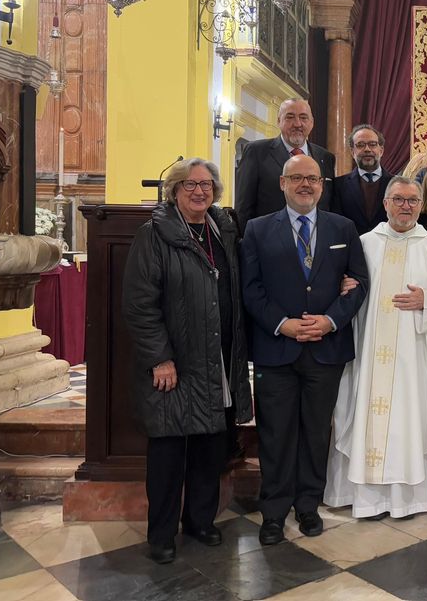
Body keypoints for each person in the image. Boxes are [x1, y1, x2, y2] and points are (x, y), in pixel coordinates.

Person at [123, 158, 252, 564]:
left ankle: (199, 521)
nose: (199, 191)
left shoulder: (223, 229)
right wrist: (160, 358)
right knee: (168, 452)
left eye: (206, 184)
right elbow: (140, 304)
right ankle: (161, 534)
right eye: (190, 185)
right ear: (174, 191)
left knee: (210, 447)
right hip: (177, 363)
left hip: (219, 359)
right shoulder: (154, 234)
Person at [240, 154, 368, 545]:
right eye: (296, 178)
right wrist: (283, 324)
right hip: (276, 349)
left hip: (326, 349)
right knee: (275, 434)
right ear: (282, 183)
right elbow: (250, 288)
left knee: (315, 432)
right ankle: (274, 512)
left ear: (322, 185)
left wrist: (330, 320)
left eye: (312, 178)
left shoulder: (343, 228)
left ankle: (309, 505)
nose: (305, 185)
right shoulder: (258, 229)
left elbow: (359, 283)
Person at [325, 177, 427, 519]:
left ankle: (407, 500)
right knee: (362, 416)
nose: (405, 206)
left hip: (413, 358)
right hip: (368, 353)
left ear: (421, 205)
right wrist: (342, 284)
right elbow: (342, 286)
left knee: (408, 420)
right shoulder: (365, 244)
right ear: (385, 204)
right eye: (398, 199)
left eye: (412, 200)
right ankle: (365, 499)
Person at [234, 98, 336, 231]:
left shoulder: (325, 157)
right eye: (290, 117)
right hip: (269, 237)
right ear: (278, 121)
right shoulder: (256, 152)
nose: (297, 124)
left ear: (312, 123)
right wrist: (248, 239)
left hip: (315, 238)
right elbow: (243, 207)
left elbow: (328, 205)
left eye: (303, 118)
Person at [333, 124, 394, 236]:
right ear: (352, 152)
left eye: (372, 144)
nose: (367, 149)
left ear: (381, 150)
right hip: (351, 245)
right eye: (360, 145)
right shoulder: (337, 186)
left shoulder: (396, 184)